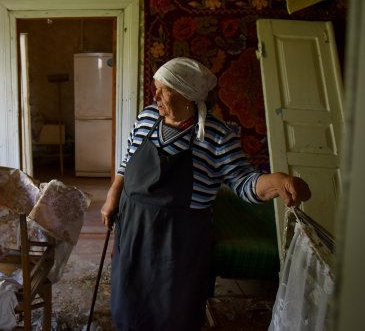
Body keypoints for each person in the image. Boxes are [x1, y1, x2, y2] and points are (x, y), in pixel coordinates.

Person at [100, 57, 311, 330]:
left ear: (188, 95)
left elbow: (243, 182)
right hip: (134, 228)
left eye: (165, 89)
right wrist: (112, 197)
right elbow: (127, 162)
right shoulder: (147, 117)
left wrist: (277, 181)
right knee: (128, 302)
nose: (156, 95)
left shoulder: (216, 135)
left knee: (173, 310)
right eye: (156, 87)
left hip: (178, 240)